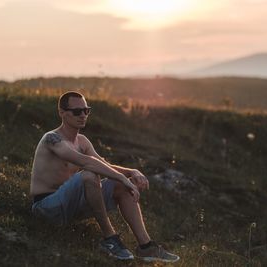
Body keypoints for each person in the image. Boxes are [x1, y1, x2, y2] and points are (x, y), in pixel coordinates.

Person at [29, 91, 179, 263]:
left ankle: (146, 247)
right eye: (77, 111)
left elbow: (103, 165)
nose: (83, 115)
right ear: (62, 113)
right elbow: (86, 162)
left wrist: (131, 172)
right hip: (46, 207)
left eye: (86, 110)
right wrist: (122, 178)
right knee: (89, 175)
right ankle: (110, 239)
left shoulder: (83, 141)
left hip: (71, 206)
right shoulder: (51, 138)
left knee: (119, 184)